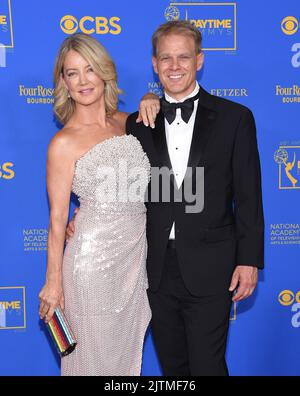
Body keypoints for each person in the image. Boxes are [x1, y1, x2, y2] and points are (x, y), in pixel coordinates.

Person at [67, 21, 264, 376]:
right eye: (166, 58)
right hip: (151, 269)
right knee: (174, 369)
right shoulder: (137, 124)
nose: (175, 66)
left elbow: (249, 196)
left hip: (212, 267)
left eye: (183, 57)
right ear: (155, 64)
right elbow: (116, 180)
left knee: (207, 367)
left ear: (199, 60)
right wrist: (85, 212)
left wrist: (249, 260)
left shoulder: (235, 119)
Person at [38, 33, 160, 376]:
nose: (82, 80)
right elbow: (58, 218)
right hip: (91, 265)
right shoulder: (63, 143)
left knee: (125, 359)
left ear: (104, 72)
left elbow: (173, 132)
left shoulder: (128, 123)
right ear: (63, 81)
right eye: (71, 73)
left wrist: (152, 96)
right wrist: (53, 283)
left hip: (136, 262)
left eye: (89, 69)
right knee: (92, 360)